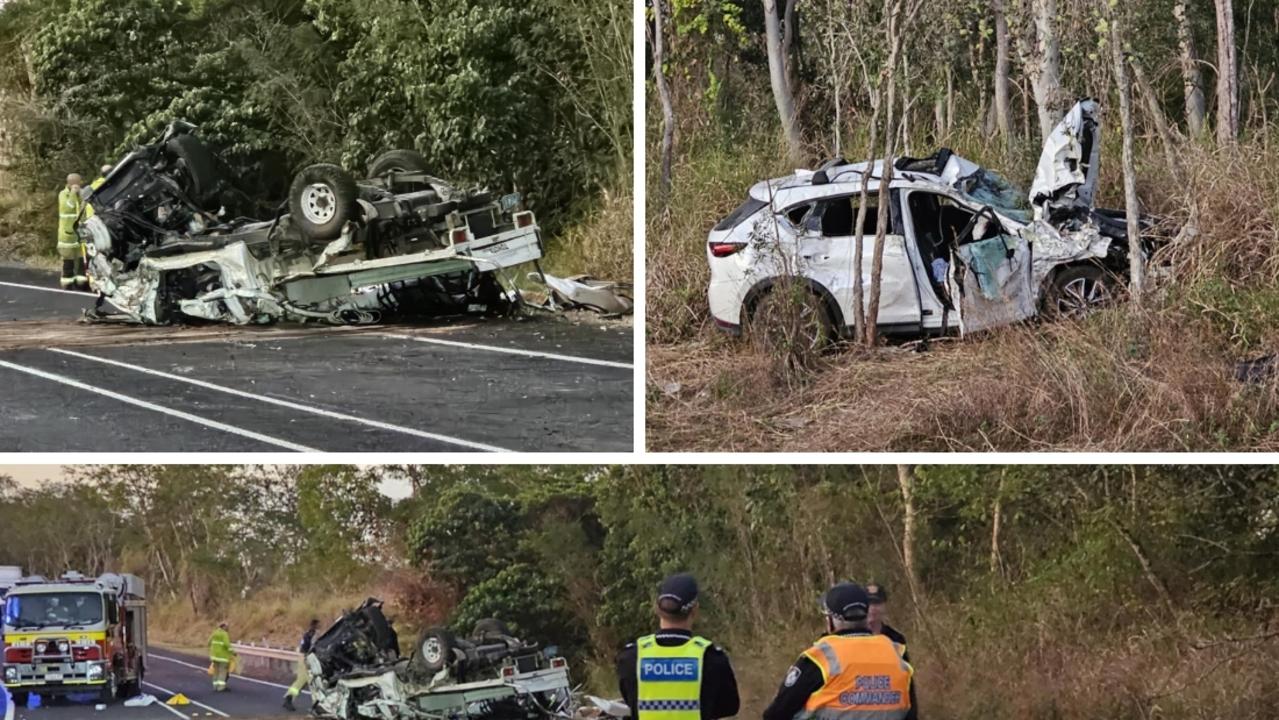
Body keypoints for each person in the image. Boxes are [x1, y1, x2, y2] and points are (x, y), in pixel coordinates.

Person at [762, 582, 916, 720]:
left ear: (830, 621)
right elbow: (910, 712)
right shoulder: (896, 654)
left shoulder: (820, 657)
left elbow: (776, 714)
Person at [617, 573, 740, 720]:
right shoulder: (711, 658)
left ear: (657, 609)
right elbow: (729, 707)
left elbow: (631, 701)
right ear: (695, 610)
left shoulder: (631, 657)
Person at [56, 174, 87, 290]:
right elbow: (68, 207)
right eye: (78, 183)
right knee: (68, 260)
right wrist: (73, 193)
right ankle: (67, 282)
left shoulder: (81, 195)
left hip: (80, 233)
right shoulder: (63, 194)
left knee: (81, 258)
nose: (80, 185)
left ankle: (81, 282)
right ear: (72, 184)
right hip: (67, 235)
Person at [865, 583, 909, 662]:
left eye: (877, 603)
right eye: (869, 603)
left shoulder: (896, 639)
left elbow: (905, 671)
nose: (872, 608)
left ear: (884, 605)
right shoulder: (852, 638)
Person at [282, 618, 320, 711]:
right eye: (317, 625)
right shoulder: (310, 635)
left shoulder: (310, 634)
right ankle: (316, 704)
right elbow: (305, 648)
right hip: (307, 659)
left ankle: (289, 698)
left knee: (302, 682)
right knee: (313, 681)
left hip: (307, 659)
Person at [208, 621, 237, 692]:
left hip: (214, 656)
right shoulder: (224, 634)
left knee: (216, 672)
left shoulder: (214, 633)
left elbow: (209, 642)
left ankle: (215, 686)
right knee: (222, 672)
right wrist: (233, 652)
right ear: (224, 627)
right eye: (227, 627)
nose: (228, 628)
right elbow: (227, 645)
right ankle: (221, 687)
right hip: (223, 657)